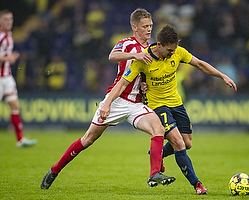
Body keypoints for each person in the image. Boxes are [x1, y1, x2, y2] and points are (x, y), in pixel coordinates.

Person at [40, 8, 175, 190]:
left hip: (136, 104)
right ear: (135, 27)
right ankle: (54, 170)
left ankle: (154, 175)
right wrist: (134, 55)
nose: (149, 29)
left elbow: (145, 73)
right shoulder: (127, 43)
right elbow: (112, 56)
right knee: (87, 139)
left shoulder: (152, 48)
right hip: (117, 100)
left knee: (157, 128)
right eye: (144, 26)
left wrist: (143, 84)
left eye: (150, 26)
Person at [100, 25, 237, 195]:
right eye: (169, 50)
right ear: (159, 44)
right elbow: (122, 83)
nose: (173, 53)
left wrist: (222, 76)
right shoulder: (143, 60)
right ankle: (197, 185)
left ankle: (157, 153)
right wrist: (107, 103)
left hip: (176, 103)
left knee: (187, 143)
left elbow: (200, 64)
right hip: (157, 106)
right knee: (178, 143)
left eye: (174, 49)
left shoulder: (178, 51)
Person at [0, 10, 37, 147]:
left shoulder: (9, 35)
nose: (8, 22)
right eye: (5, 19)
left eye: (10, 19)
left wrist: (9, 59)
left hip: (7, 77)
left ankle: (20, 139)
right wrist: (7, 58)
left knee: (15, 106)